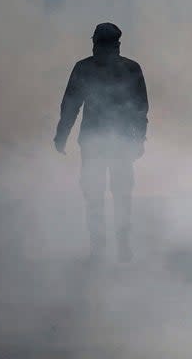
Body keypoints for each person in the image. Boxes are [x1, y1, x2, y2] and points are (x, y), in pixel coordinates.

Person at [54, 22, 149, 261]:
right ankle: (123, 247)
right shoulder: (131, 68)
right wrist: (139, 140)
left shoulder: (84, 68)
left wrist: (61, 135)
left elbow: (70, 105)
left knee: (94, 194)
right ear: (117, 44)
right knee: (121, 194)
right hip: (122, 142)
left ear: (95, 42)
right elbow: (140, 109)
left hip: (93, 141)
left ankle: (98, 249)